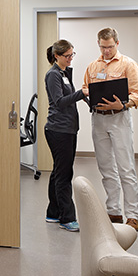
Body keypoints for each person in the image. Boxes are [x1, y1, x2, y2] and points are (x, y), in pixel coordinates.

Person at [81, 28, 138, 231]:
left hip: (119, 119)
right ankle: (114, 211)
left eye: (109, 47)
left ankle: (132, 215)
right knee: (106, 168)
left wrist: (122, 105)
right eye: (102, 47)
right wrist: (88, 94)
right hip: (98, 119)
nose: (106, 51)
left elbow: (137, 95)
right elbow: (85, 88)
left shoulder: (128, 64)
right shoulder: (92, 66)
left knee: (126, 169)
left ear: (117, 43)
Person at [43, 40, 87, 232]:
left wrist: (88, 98)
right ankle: (67, 218)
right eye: (67, 56)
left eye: (72, 55)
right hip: (58, 130)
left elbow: (71, 96)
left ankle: (53, 212)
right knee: (64, 174)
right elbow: (60, 102)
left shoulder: (63, 73)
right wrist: (81, 93)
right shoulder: (53, 75)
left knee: (58, 171)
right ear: (57, 56)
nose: (70, 58)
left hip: (67, 128)